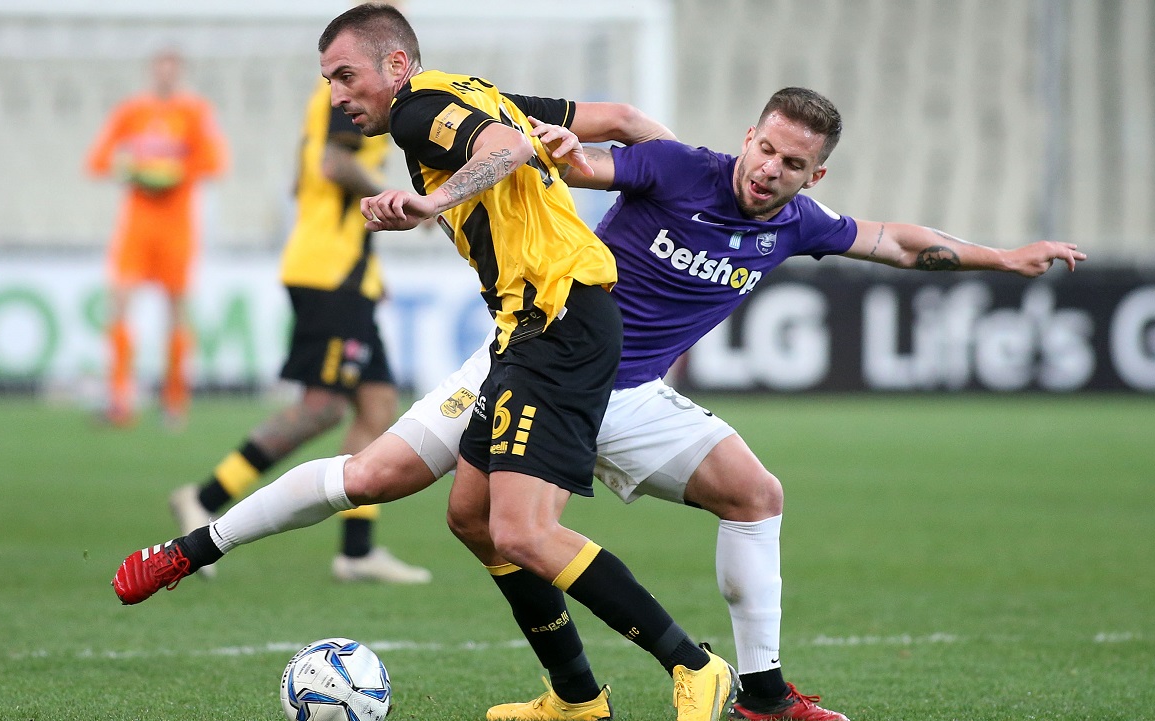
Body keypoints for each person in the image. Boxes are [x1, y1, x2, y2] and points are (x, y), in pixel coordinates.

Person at [111, 35, 1086, 721]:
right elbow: (580, 162)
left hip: (613, 381)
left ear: (811, 176)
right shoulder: (678, 170)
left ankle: (757, 693)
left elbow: (898, 242)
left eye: (791, 163)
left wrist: (1002, 257)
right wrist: (568, 157)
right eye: (764, 148)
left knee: (754, 495)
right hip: (541, 352)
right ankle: (587, 691)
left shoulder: (797, 224)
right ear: (747, 136)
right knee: (422, 496)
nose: (768, 170)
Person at [118, 6, 736, 721]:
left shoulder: (417, 111)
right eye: (327, 82)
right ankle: (576, 697)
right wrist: (691, 187)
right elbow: (621, 118)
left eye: (345, 76)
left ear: (396, 66)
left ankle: (696, 666)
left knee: (522, 531)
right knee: (452, 509)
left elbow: (504, 146)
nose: (336, 96)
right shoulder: (476, 93)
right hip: (525, 330)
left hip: (561, 322)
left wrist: (429, 201)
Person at [166, 75, 430, 584]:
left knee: (377, 405)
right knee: (323, 407)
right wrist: (395, 199)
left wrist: (369, 273)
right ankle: (204, 498)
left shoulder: (337, 93)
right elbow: (333, 163)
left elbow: (302, 178)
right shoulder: (352, 89)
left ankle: (357, 551)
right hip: (329, 276)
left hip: (347, 276)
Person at [85, 48, 227, 428]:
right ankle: (120, 399)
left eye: (171, 70)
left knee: (176, 310)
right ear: (152, 72)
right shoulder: (131, 112)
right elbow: (98, 160)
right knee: (119, 303)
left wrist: (174, 171)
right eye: (160, 69)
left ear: (179, 74)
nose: (165, 76)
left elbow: (215, 162)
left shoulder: (196, 112)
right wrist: (132, 169)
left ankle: (175, 400)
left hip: (177, 227)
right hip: (137, 225)